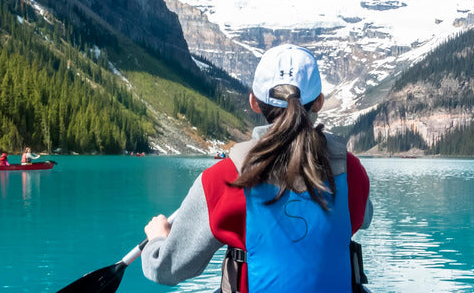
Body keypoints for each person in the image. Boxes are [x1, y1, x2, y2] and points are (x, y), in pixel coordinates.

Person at [139, 44, 372, 292]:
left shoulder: (224, 178)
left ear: (253, 102)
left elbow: (166, 269)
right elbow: (364, 218)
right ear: (318, 103)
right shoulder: (351, 171)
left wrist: (158, 240)